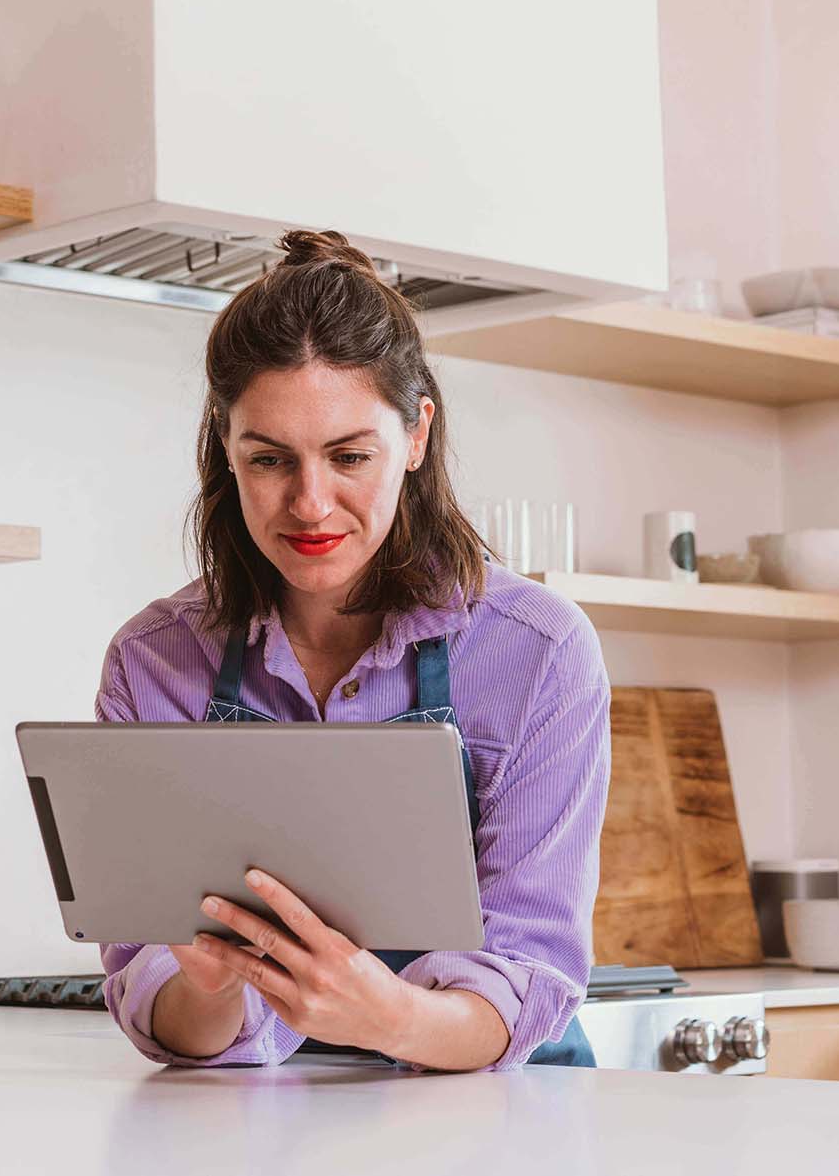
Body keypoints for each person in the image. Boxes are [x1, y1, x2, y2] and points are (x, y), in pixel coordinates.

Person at [94, 230, 610, 1072]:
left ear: (415, 437)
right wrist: (212, 987)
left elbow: (532, 966)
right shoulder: (154, 663)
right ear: (227, 448)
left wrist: (392, 1016)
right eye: (268, 459)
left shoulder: (540, 654)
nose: (309, 502)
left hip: (489, 1118)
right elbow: (167, 1016)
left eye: (348, 456)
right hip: (251, 1128)